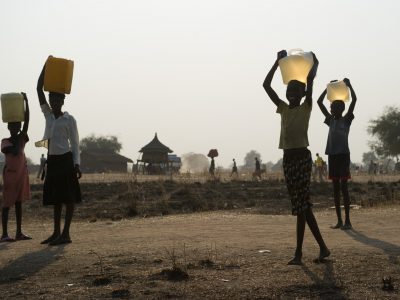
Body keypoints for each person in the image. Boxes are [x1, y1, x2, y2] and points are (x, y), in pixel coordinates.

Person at [263, 50, 330, 265]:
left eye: (296, 89)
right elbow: (266, 86)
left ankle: (318, 248)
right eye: (289, 89)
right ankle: (302, 253)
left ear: (302, 94)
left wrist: (314, 66)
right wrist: (276, 63)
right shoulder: (282, 108)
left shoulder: (306, 107)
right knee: (300, 208)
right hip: (288, 160)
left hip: (301, 158)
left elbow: (310, 81)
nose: (292, 91)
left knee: (303, 207)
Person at [37, 59, 82, 245]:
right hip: (52, 161)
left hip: (65, 161)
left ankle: (66, 234)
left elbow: (76, 143)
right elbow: (39, 89)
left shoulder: (69, 119)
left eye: (57, 99)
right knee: (56, 198)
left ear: (62, 101)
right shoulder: (47, 115)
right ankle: (56, 233)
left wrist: (77, 164)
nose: (53, 102)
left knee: (68, 197)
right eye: (51, 99)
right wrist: (46, 67)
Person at [317, 78, 357, 230]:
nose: (331, 109)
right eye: (331, 106)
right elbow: (319, 103)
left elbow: (354, 100)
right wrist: (328, 88)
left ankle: (347, 220)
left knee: (344, 188)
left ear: (341, 109)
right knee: (335, 189)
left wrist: (350, 86)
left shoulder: (346, 120)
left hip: (343, 156)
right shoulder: (330, 120)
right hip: (332, 156)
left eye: (333, 107)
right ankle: (339, 220)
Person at [1, 93, 31, 242]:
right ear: (8, 127)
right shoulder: (5, 141)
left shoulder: (22, 139)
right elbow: (10, 150)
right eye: (12, 125)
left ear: (19, 127)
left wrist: (26, 102)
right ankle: (4, 234)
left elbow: (27, 122)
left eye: (17, 125)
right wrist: (17, 145)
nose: (14, 127)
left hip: (21, 176)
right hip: (10, 176)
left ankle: (19, 232)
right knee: (7, 204)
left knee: (18, 203)